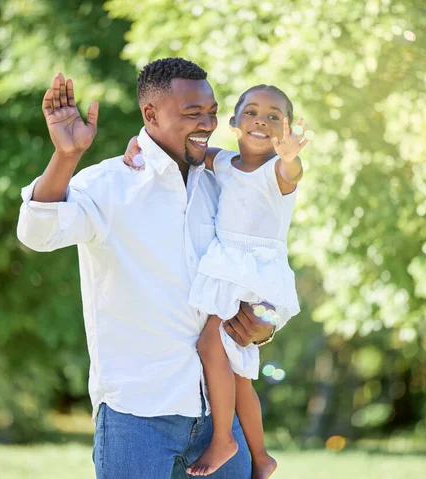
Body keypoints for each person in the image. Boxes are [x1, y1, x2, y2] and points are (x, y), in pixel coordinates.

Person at [16, 58, 277, 479]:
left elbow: (261, 262)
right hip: (136, 417)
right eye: (192, 113)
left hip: (219, 416)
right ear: (150, 115)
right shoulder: (108, 185)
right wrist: (67, 156)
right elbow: (37, 233)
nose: (207, 123)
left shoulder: (225, 182)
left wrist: (264, 324)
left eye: (211, 112)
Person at [124, 85, 312, 478]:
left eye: (274, 117)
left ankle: (224, 438)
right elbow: (177, 149)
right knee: (238, 371)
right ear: (233, 122)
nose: (261, 120)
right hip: (232, 268)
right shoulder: (224, 163)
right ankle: (261, 456)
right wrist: (138, 143)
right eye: (252, 112)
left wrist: (291, 157)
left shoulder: (275, 172)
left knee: (212, 343)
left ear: (285, 130)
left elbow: (290, 172)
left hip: (252, 272)